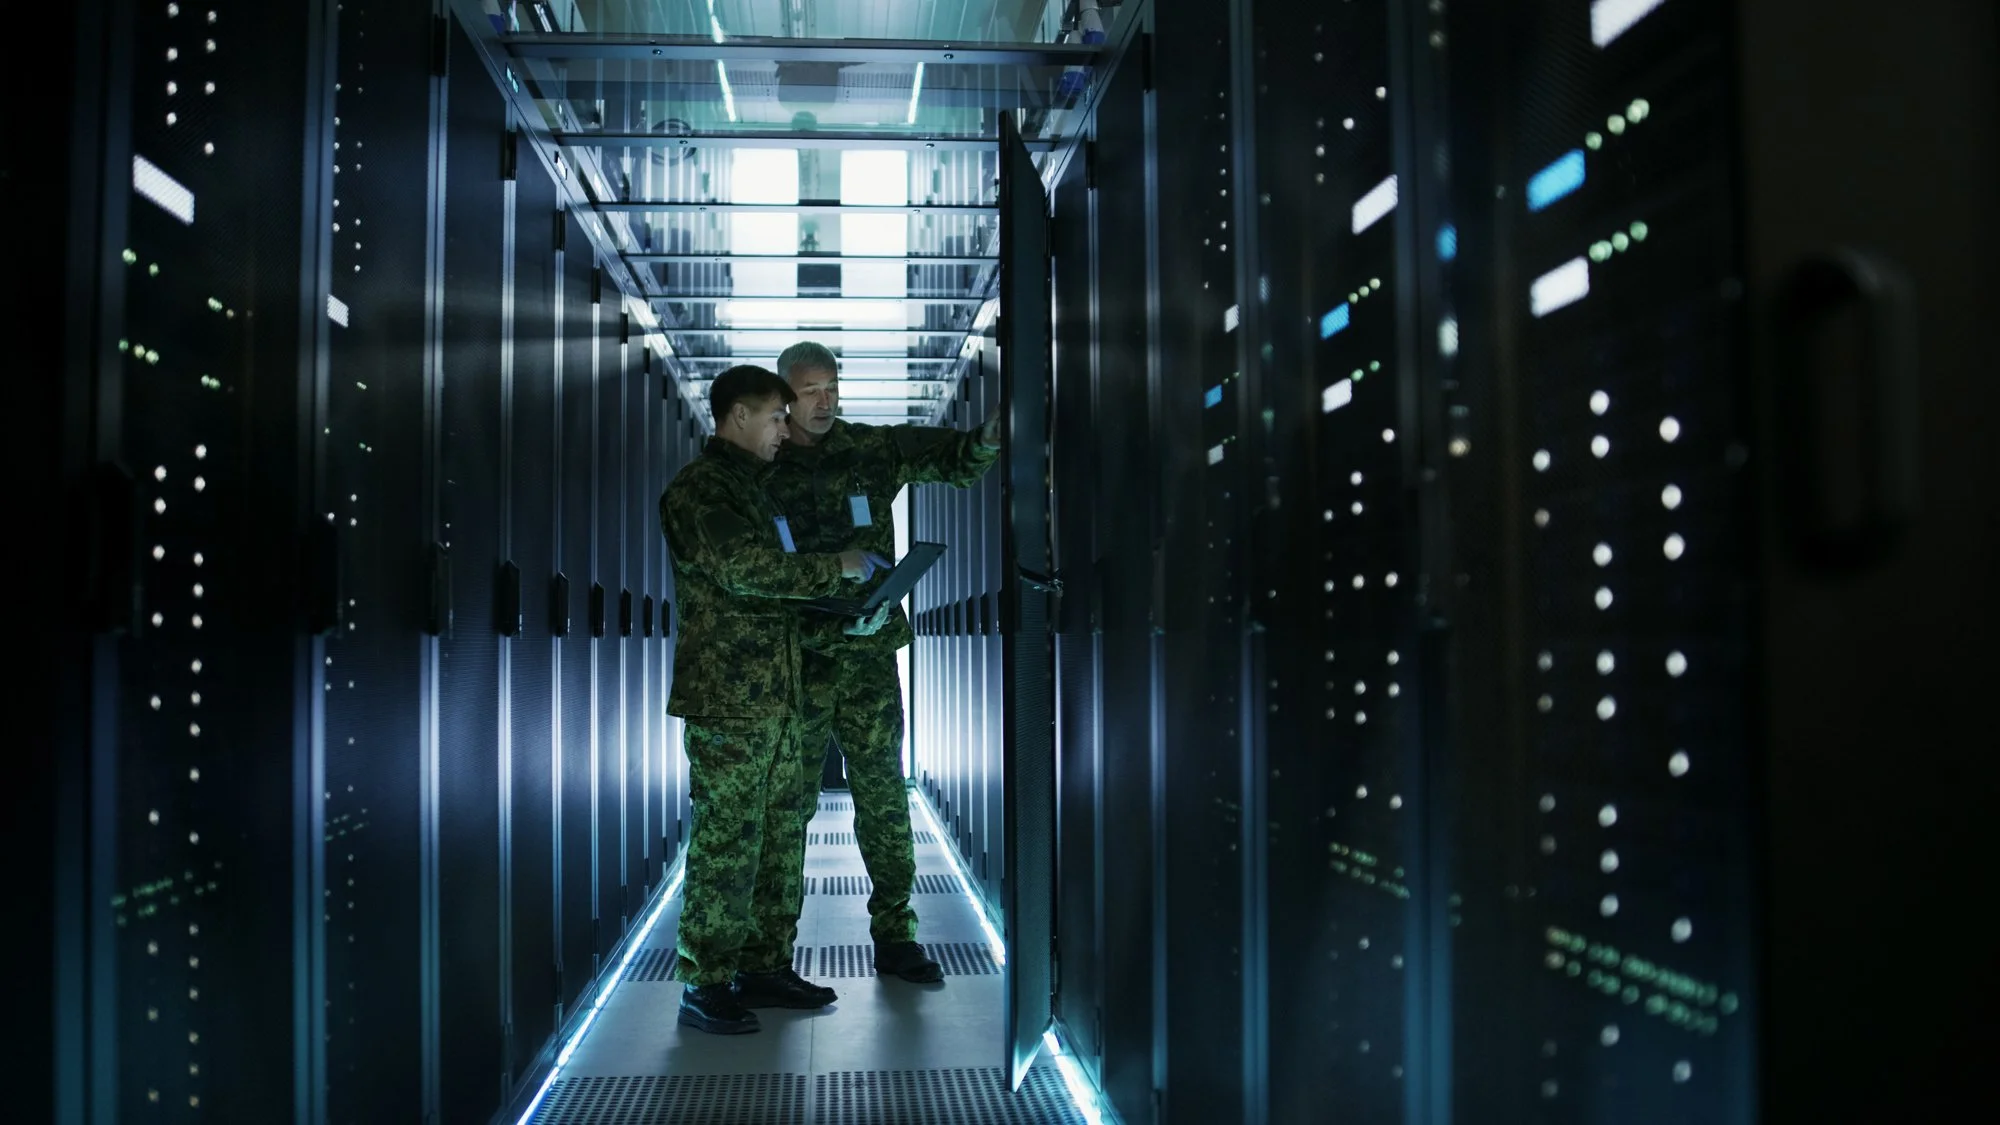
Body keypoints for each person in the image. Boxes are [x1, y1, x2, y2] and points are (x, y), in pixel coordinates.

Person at [659, 364, 889, 1035]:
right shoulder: (701, 491)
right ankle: (704, 980)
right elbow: (746, 572)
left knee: (782, 832)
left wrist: (851, 605)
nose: (784, 431)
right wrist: (838, 564)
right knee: (728, 840)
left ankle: (762, 963)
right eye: (773, 418)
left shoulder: (759, 493)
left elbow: (778, 588)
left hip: (781, 693)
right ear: (736, 416)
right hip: (730, 701)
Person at [765, 340, 1001, 984]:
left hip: (867, 655)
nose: (825, 400)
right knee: (788, 804)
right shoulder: (762, 462)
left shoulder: (871, 449)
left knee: (882, 797)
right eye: (811, 390)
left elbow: (954, 459)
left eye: (832, 386)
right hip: (798, 660)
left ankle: (896, 936)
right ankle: (770, 955)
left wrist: (993, 434)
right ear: (784, 397)